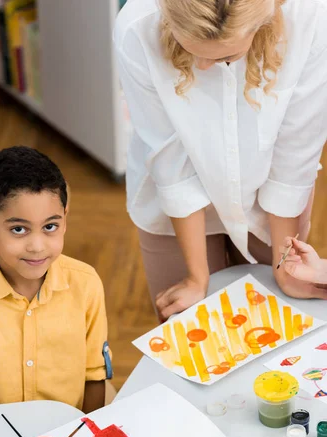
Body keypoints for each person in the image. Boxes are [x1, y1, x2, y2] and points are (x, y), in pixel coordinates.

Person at [114, 0, 327, 321]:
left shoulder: (311, 17)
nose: (200, 66)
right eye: (190, 48)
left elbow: (294, 155)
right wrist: (196, 277)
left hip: (275, 206)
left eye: (224, 56)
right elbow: (171, 164)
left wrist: (283, 268)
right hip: (173, 214)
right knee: (191, 336)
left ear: (263, 21)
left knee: (272, 332)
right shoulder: (137, 25)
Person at [0, 147, 112, 412]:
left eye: (50, 226)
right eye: (19, 229)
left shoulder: (86, 285)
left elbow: (94, 375)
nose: (37, 246)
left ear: (65, 220)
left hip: (70, 435)